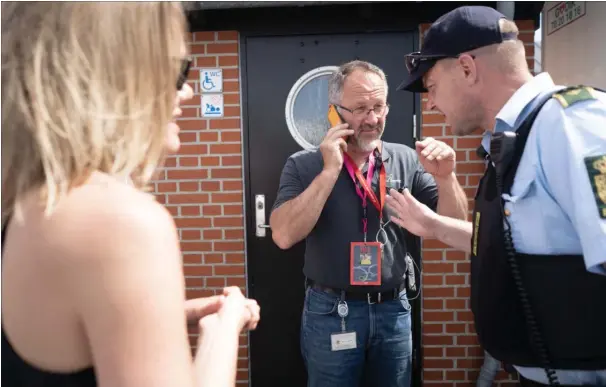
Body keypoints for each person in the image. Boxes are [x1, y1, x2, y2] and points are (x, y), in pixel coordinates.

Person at [1, 3, 259, 387]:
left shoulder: (24, 203)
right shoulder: (119, 223)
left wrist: (163, 318)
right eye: (176, 72)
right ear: (113, 76)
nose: (187, 91)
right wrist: (222, 331)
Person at [390, 5, 606, 387]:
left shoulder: (569, 123)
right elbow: (514, 243)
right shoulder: (511, 141)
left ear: (467, 68)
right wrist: (433, 225)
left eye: (433, 87)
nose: (431, 103)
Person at [269, 60, 468, 387]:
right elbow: (283, 235)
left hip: (393, 310)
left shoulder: (405, 158)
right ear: (335, 112)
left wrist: (446, 178)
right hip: (332, 311)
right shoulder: (304, 165)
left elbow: (455, 225)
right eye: (360, 109)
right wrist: (330, 170)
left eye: (379, 107)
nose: (373, 119)